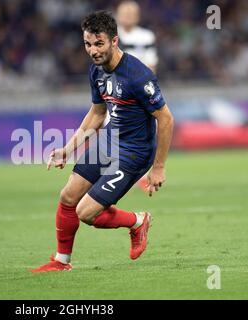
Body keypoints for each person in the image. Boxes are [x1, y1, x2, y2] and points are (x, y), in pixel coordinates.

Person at [31, 11, 174, 273]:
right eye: (88, 44)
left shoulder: (138, 76)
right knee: (68, 196)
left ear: (114, 41)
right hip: (109, 139)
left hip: (134, 151)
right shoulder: (96, 71)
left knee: (86, 213)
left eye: (99, 44)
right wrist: (67, 149)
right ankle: (61, 262)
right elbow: (98, 113)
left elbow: (165, 119)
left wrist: (158, 167)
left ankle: (137, 221)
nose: (93, 50)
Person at [116, 1, 158, 73]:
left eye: (131, 14)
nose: (128, 16)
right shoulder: (109, 36)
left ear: (138, 16)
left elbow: (151, 64)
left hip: (141, 80)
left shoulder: (147, 36)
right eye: (125, 14)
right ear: (118, 16)